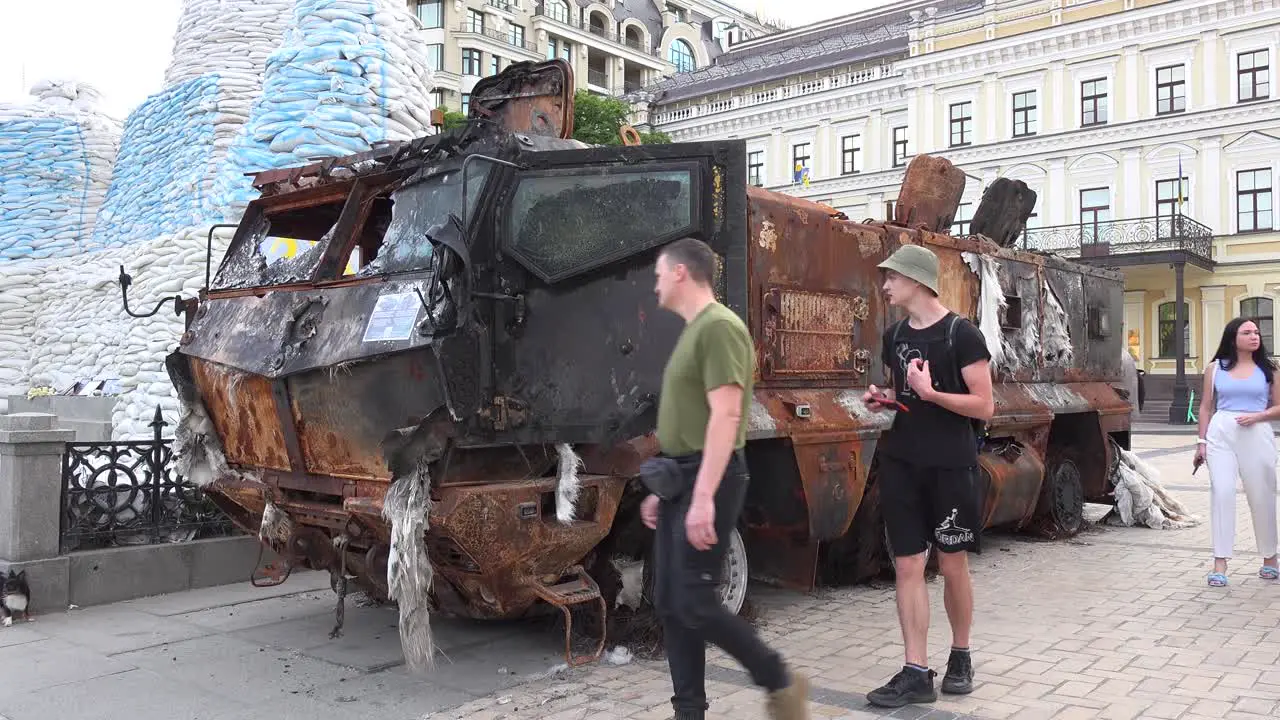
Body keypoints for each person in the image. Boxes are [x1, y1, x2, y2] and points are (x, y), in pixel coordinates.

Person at [640, 237, 809, 720]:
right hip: (683, 477)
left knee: (693, 600)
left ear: (679, 274)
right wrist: (666, 490)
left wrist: (701, 498)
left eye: (657, 273)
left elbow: (726, 415)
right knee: (674, 605)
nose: (654, 283)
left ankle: (778, 679)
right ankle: (688, 712)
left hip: (708, 478)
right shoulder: (695, 331)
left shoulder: (719, 328)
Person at [861, 244, 994, 708]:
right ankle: (916, 670)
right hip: (902, 462)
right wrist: (886, 398)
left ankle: (961, 654)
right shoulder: (894, 335)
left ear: (916, 280)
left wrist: (932, 393)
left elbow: (984, 405)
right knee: (907, 564)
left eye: (892, 277)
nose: (885, 285)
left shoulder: (963, 334)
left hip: (951, 466)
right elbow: (905, 394)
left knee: (952, 563)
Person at [1196, 317, 1280, 587]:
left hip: (1257, 432)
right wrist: (1201, 442)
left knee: (1262, 495)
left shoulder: (1270, 369)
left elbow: (1279, 407)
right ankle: (1220, 563)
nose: (1255, 336)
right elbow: (1206, 407)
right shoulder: (1215, 369)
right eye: (1247, 332)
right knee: (1222, 492)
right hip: (1222, 432)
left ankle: (1270, 559)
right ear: (1233, 338)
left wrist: (1258, 416)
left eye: (1256, 332)